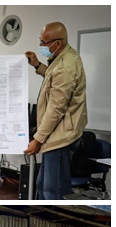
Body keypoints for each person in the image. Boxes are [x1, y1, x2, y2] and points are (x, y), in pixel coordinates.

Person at [24, 22, 88, 199]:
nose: (41, 46)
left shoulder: (66, 66)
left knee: (53, 191)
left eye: (44, 42)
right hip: (56, 134)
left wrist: (37, 139)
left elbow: (56, 109)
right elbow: (53, 79)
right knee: (41, 185)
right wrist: (37, 64)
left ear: (57, 43)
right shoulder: (64, 56)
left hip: (61, 137)